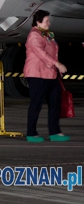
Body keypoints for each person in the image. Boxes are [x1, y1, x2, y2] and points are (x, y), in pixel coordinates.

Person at [24, 10, 70, 142]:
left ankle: (55, 132)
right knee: (36, 104)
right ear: (38, 22)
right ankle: (31, 133)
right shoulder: (34, 35)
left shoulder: (47, 34)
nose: (49, 23)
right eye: (46, 21)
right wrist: (57, 64)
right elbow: (41, 53)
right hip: (37, 74)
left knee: (55, 103)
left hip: (51, 74)